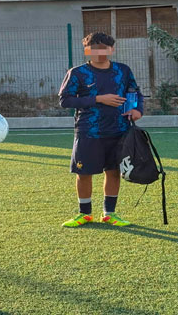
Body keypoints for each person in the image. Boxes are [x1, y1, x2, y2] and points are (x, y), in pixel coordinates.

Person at [58, 32, 143, 228]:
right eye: (94, 48)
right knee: (84, 173)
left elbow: (135, 92)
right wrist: (97, 99)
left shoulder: (122, 70)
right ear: (87, 50)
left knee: (113, 171)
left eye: (104, 48)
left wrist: (138, 109)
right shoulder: (77, 73)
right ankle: (84, 214)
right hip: (89, 131)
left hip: (119, 130)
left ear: (111, 49)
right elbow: (65, 100)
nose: (100, 53)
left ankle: (109, 213)